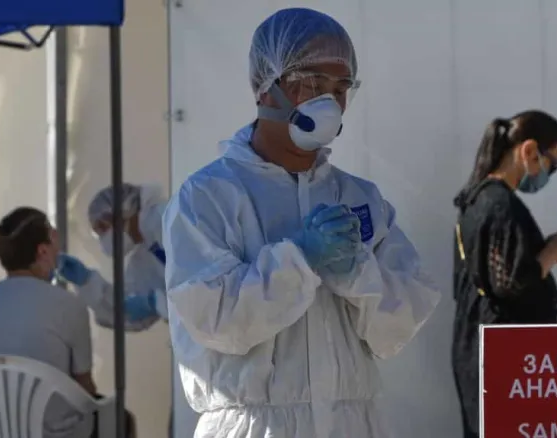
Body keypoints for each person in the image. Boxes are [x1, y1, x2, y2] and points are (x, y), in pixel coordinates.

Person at [161, 7, 441, 438]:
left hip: (351, 424)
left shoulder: (360, 199)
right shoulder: (208, 197)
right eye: (312, 83)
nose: (329, 101)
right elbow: (216, 321)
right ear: (265, 87)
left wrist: (358, 275)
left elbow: (400, 323)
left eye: (340, 87)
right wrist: (299, 261)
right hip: (253, 425)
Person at [451, 111, 557, 438]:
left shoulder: (479, 198)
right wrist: (554, 251)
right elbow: (509, 284)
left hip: (480, 347)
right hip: (504, 357)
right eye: (552, 165)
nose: (549, 175)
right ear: (529, 151)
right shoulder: (499, 203)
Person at [0, 207, 136, 438]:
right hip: (56, 433)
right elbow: (85, 387)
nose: (58, 252)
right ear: (42, 251)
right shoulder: (68, 305)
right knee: (122, 419)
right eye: (55, 242)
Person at [56, 183, 169, 329]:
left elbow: (196, 285)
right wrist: (87, 281)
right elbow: (125, 311)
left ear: (124, 209)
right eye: (98, 233)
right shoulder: (144, 259)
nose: (104, 239)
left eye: (103, 227)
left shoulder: (168, 219)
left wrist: (158, 302)